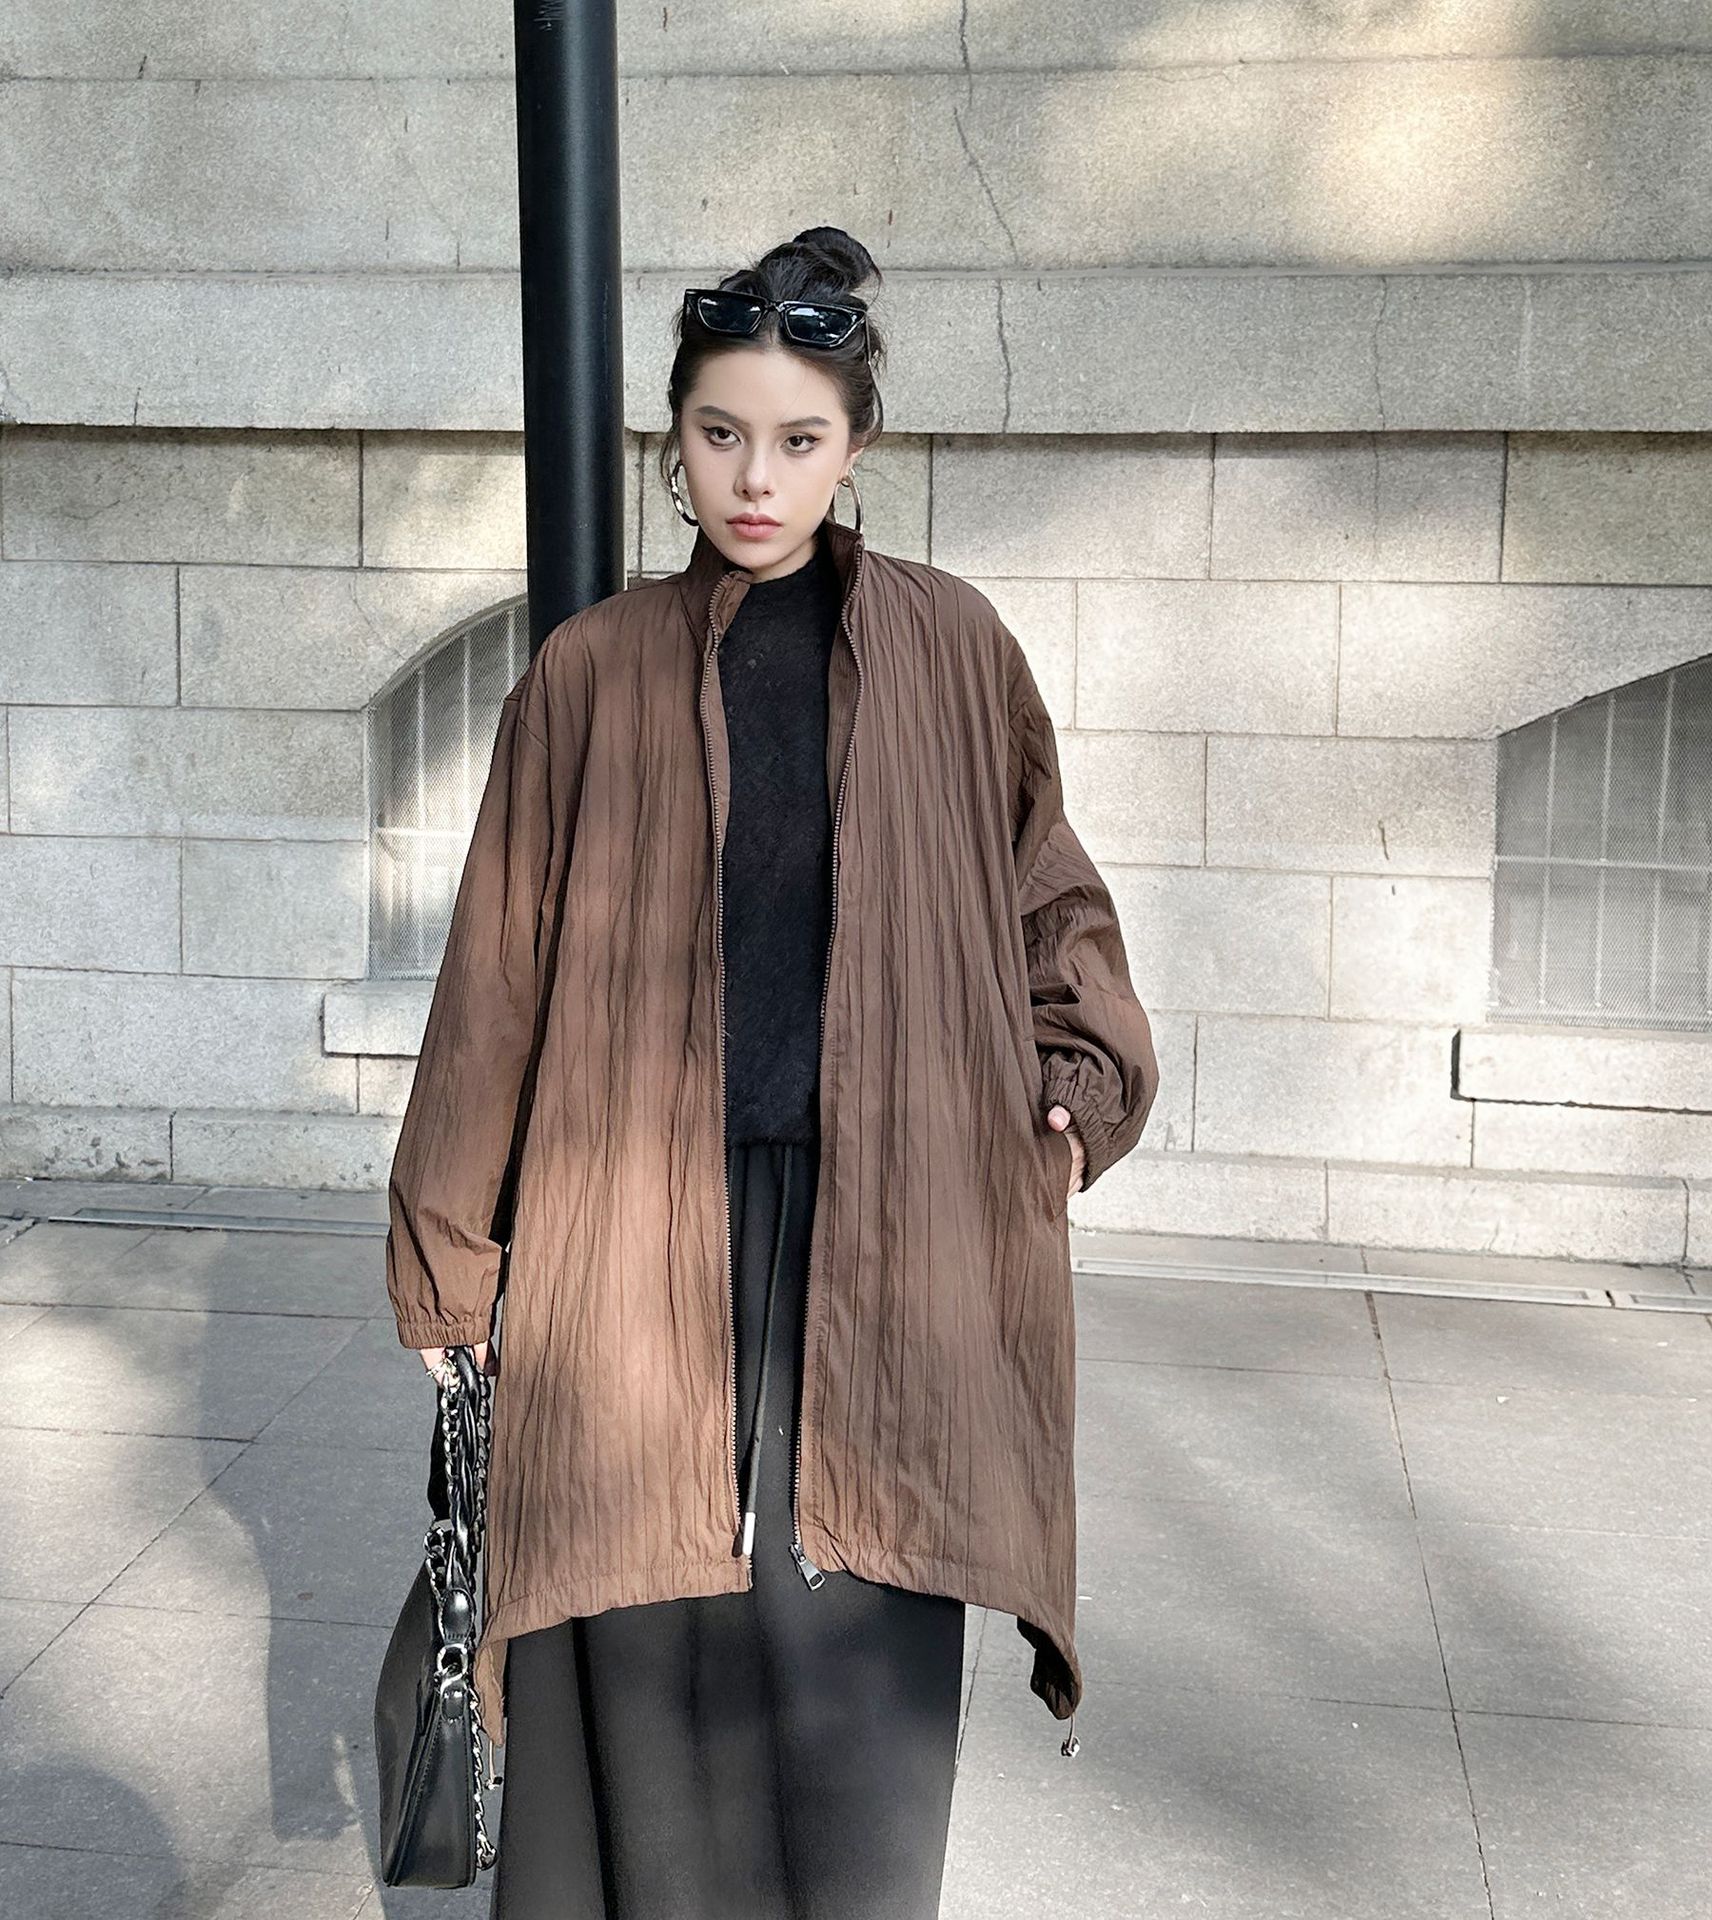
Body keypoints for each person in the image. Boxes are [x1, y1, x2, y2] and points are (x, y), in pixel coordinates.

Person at [385, 225, 1160, 1919]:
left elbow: (1052, 894)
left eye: (799, 439)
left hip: (894, 1216)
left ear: (855, 447)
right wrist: (452, 1258)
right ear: (674, 439)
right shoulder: (590, 673)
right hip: (630, 1221)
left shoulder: (955, 649)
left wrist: (1075, 1085)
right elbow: (495, 980)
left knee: (856, 1624)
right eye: (722, 433)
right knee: (642, 1611)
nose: (756, 478)